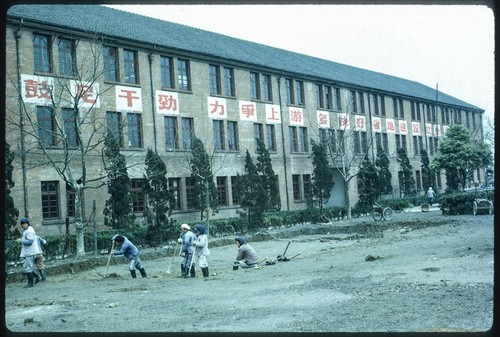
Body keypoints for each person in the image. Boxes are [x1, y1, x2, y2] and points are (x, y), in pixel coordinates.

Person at [17, 217, 42, 288]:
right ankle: (38, 277)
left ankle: (30, 283)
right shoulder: (27, 230)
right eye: (22, 224)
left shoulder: (29, 231)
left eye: (24, 224)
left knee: (28, 268)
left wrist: (21, 241)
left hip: (30, 252)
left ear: (27, 224)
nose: (23, 225)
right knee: (29, 267)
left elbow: (30, 242)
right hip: (29, 252)